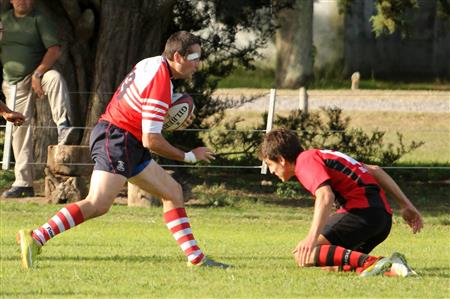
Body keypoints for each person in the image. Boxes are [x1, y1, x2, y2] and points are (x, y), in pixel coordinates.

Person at [16, 31, 230, 270]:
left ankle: (196, 259)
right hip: (117, 139)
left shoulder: (152, 63)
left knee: (173, 192)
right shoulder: (160, 84)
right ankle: (36, 238)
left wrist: (165, 114)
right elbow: (152, 140)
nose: (198, 64)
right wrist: (189, 155)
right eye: (194, 57)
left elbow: (142, 117)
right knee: (98, 203)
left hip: (127, 139)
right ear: (177, 56)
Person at [259, 128, 423, 277]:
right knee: (329, 262)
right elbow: (375, 170)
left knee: (304, 254)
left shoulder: (304, 161)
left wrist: (311, 238)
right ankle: (394, 269)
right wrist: (406, 206)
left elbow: (325, 196)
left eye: (269, 164)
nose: (271, 171)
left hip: (362, 213)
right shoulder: (321, 155)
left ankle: (378, 263)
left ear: (281, 159)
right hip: (382, 219)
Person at [1, 0, 77, 198]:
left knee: (55, 78)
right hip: (13, 83)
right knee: (19, 129)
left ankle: (64, 125)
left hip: (37, 75)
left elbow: (54, 49)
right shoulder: (4, 20)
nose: (22, 1)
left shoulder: (39, 19)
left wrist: (38, 73)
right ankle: (23, 182)